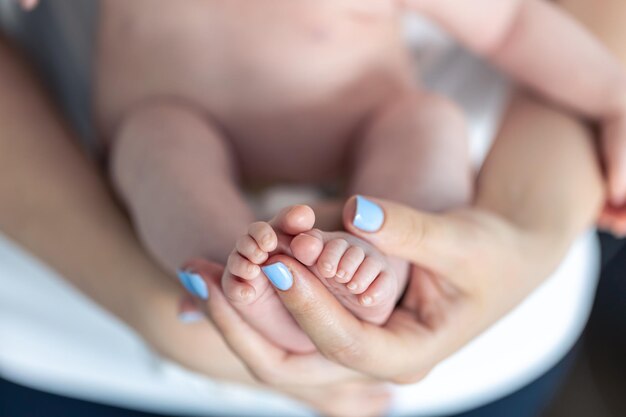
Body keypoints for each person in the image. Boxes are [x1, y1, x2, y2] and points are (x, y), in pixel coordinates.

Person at [0, 1, 615, 416]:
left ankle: (381, 271)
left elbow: (513, 26)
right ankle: (234, 276)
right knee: (155, 150)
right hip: (172, 137)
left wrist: (615, 98)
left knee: (424, 127)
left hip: (367, 134)